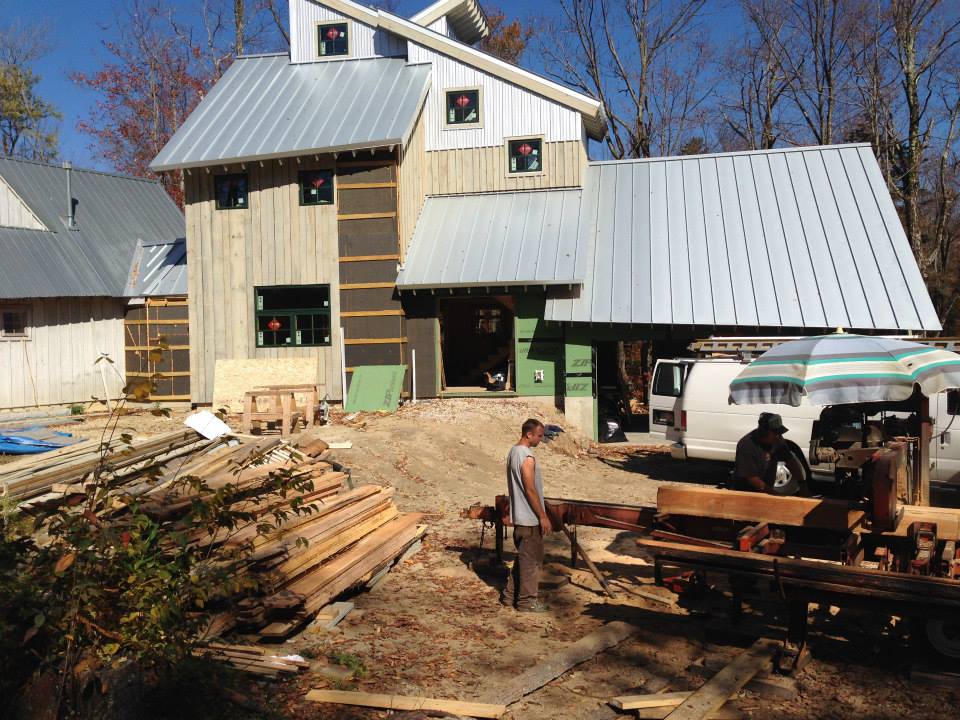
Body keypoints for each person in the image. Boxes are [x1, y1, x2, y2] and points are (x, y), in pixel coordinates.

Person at [502, 418, 552, 612]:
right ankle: (527, 602)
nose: (541, 439)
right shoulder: (527, 457)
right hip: (529, 519)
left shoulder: (513, 452)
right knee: (532, 563)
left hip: (519, 517)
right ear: (528, 434)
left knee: (524, 558)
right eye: (539, 435)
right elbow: (530, 489)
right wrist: (542, 516)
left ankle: (509, 596)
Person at [734, 412, 790, 493]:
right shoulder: (747, 445)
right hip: (747, 493)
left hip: (767, 489)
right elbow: (753, 479)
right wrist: (772, 494)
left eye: (779, 433)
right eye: (775, 433)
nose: (778, 436)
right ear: (765, 432)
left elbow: (790, 460)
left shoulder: (777, 440)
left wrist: (802, 483)